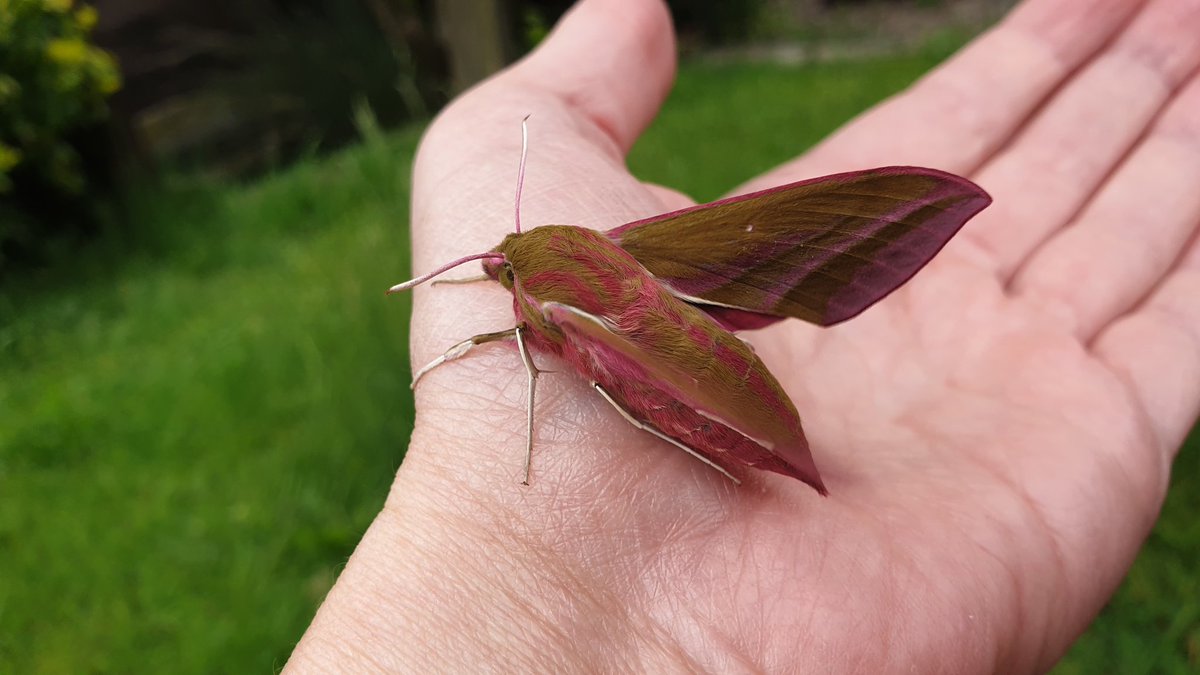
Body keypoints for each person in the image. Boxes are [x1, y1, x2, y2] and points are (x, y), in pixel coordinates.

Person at [286, 0, 1200, 670]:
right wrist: (519, 562)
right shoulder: (603, 257)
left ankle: (771, 443)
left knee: (616, 360)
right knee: (639, 346)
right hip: (687, 334)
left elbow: (546, 355)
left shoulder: (549, 311)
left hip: (688, 374)